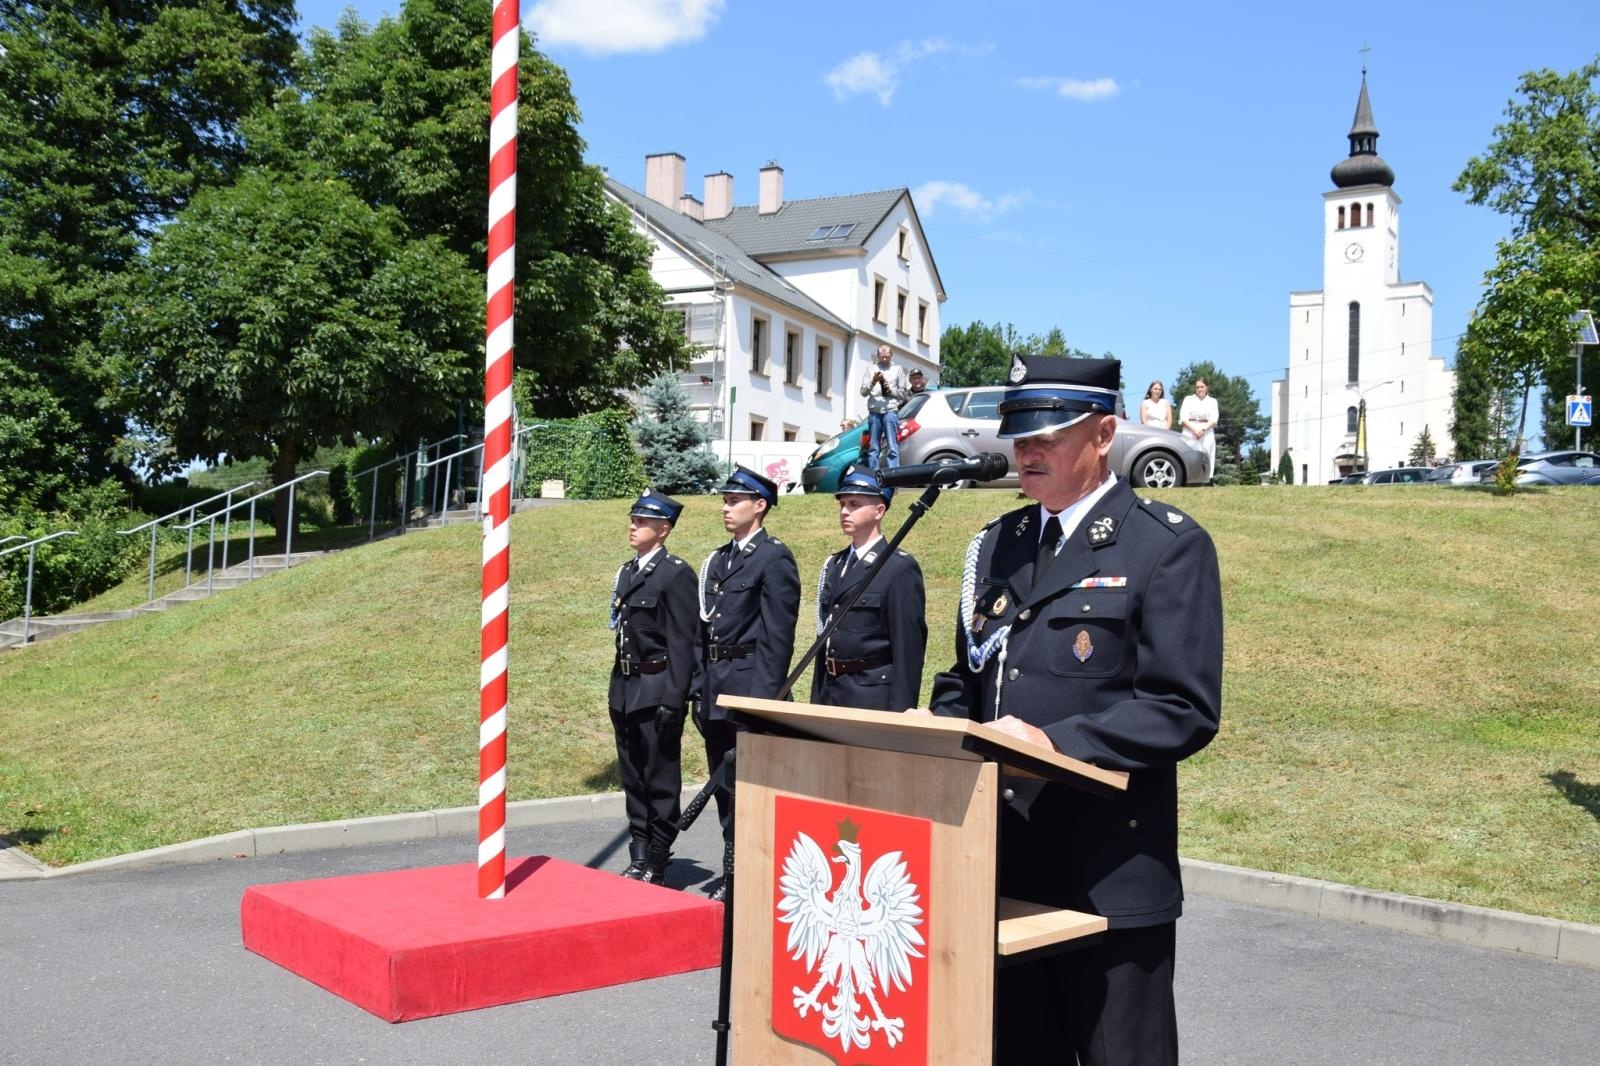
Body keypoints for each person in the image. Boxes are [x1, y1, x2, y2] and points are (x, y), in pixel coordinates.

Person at [920, 354, 1222, 1066]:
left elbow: (1182, 707)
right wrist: (938, 728)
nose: (1026, 452)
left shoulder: (1165, 546)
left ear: (1104, 434)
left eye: (1047, 438)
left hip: (1106, 875)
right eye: (1020, 437)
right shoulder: (998, 544)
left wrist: (1052, 742)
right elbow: (967, 674)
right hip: (1000, 865)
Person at [694, 464, 801, 901]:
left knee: (753, 789)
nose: (726, 507)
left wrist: (762, 704)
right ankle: (732, 869)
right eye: (724, 500)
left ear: (759, 506)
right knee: (725, 788)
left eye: (734, 501)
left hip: (749, 689)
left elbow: (778, 637)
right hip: (717, 689)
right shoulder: (719, 560)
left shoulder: (774, 558)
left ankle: (755, 874)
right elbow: (704, 632)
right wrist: (699, 689)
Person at [607, 489, 697, 884]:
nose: (633, 526)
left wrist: (674, 700)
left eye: (642, 522)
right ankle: (639, 854)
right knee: (633, 778)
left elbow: (684, 643)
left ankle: (658, 861)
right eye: (633, 520)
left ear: (663, 530)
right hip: (625, 688)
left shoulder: (675, 573)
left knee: (660, 780)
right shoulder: (628, 572)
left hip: (658, 688)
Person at [810, 468, 926, 713]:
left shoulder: (898, 568)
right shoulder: (834, 565)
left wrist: (899, 715)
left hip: (873, 698)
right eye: (842, 504)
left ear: (879, 511)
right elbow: (824, 640)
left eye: (854, 504)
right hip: (831, 692)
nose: (844, 511)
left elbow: (908, 650)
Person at [858, 344, 910, 469]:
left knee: (892, 446)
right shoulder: (871, 369)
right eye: (882, 357)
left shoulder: (897, 369)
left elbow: (904, 394)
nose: (885, 359)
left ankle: (894, 473)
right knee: (874, 447)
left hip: (890, 410)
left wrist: (890, 390)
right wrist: (873, 382)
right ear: (878, 356)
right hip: (874, 411)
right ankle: (874, 475)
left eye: (887, 357)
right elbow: (863, 392)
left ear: (891, 355)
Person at [1179, 378, 1219, 481]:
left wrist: (1202, 430)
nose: (1199, 389)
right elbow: (1183, 418)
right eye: (1197, 387)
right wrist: (1194, 430)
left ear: (1207, 387)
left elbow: (1214, 419)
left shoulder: (1212, 401)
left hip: (1206, 431)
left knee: (1206, 455)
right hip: (1190, 430)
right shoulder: (1188, 399)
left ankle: (1206, 479)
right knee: (1189, 455)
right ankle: (1187, 479)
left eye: (1202, 387)